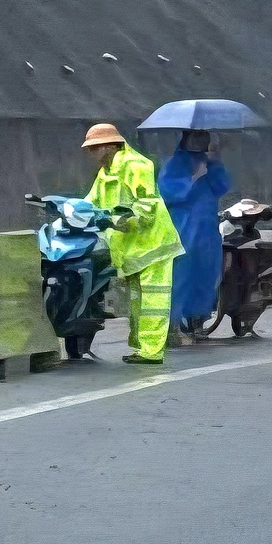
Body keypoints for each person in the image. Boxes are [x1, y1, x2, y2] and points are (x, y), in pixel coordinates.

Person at [83, 123, 184, 365]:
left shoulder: (137, 166)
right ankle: (143, 348)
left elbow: (146, 206)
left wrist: (123, 219)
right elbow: (91, 202)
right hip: (133, 250)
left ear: (108, 146)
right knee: (138, 301)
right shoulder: (105, 174)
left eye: (94, 148)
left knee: (154, 301)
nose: (91, 153)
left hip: (154, 246)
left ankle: (152, 352)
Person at [158, 129, 233, 340]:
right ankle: (173, 322)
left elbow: (222, 186)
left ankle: (198, 319)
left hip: (207, 230)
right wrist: (193, 178)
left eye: (204, 136)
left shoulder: (209, 163)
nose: (202, 141)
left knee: (206, 273)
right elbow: (166, 192)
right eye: (197, 136)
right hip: (183, 227)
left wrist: (215, 162)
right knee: (180, 275)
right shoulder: (175, 163)